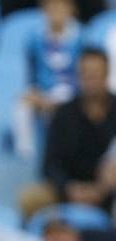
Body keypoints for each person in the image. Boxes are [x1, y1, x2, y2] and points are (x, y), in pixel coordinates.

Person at [20, 48, 116, 218]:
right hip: (67, 191)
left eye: (95, 74)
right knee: (31, 199)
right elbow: (49, 165)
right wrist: (69, 188)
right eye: (85, 74)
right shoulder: (63, 113)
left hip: (110, 192)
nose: (89, 79)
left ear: (106, 74)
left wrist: (102, 188)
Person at [13, 0, 84, 162]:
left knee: (56, 112)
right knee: (21, 106)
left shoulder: (81, 38)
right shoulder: (35, 39)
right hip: (43, 91)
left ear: (70, 10)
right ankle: (26, 156)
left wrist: (61, 98)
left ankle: (56, 157)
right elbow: (31, 72)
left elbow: (83, 75)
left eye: (60, 8)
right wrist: (34, 92)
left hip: (70, 92)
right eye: (51, 8)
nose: (56, 13)